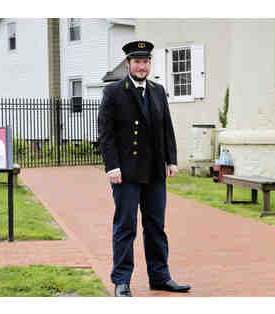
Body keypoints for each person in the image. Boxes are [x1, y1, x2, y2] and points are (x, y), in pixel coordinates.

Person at [98, 40, 191, 297]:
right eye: (137, 61)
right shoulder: (114, 91)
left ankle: (160, 277)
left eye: (146, 61)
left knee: (156, 227)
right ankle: (121, 281)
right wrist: (112, 166)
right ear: (128, 63)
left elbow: (166, 128)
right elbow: (105, 134)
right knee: (125, 226)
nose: (142, 66)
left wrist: (171, 160)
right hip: (126, 173)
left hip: (154, 172)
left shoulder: (158, 91)